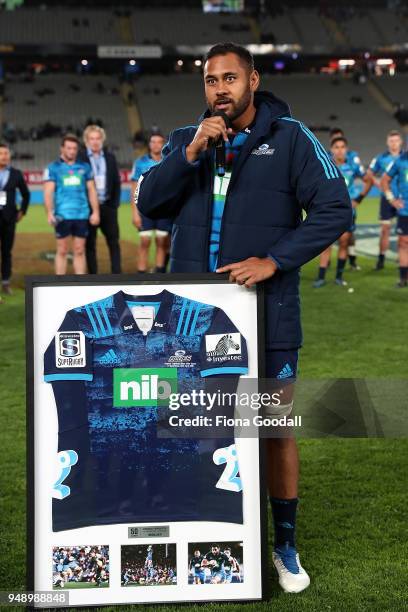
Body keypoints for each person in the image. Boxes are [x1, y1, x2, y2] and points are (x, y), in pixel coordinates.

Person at [138, 42, 351, 593]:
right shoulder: (189, 140)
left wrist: (274, 260)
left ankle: (283, 545)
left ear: (253, 80)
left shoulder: (292, 138)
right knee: (187, 429)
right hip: (186, 324)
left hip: (266, 314)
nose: (220, 89)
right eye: (211, 81)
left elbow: (335, 208)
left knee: (273, 430)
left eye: (230, 78)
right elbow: (149, 207)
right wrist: (186, 157)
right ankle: (194, 540)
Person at [314, 136, 371, 287]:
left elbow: (369, 180)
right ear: (332, 150)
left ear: (346, 150)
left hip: (347, 212)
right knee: (327, 244)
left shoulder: (352, 167)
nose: (339, 150)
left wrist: (358, 199)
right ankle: (321, 277)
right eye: (336, 147)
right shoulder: (325, 166)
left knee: (344, 242)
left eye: (342, 147)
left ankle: (338, 277)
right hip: (329, 211)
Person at [44, 134, 99, 275]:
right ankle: (59, 284)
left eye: (74, 148)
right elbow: (48, 192)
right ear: (62, 148)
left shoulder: (85, 167)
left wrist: (95, 212)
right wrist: (49, 213)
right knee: (62, 250)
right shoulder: (53, 168)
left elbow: (92, 190)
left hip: (82, 214)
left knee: (80, 250)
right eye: (69, 148)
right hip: (62, 215)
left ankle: (80, 285)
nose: (72, 151)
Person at [79, 125, 122, 274]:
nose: (95, 142)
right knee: (90, 244)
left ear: (102, 140)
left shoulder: (110, 157)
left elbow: (116, 182)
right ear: (86, 141)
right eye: (92, 139)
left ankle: (117, 275)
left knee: (113, 242)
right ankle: (93, 277)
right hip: (89, 209)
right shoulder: (80, 158)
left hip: (108, 206)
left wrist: (114, 205)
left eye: (98, 138)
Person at [131, 133, 171, 273]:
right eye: (152, 142)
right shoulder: (140, 162)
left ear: (163, 144)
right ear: (149, 144)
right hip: (145, 209)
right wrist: (135, 213)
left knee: (162, 242)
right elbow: (134, 188)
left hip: (164, 210)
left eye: (158, 142)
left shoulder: (168, 160)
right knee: (144, 242)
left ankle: (159, 274)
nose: (155, 145)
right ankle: (141, 275)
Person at [367, 130, 403, 270]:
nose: (394, 143)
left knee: (404, 232)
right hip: (387, 199)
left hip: (403, 199)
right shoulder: (381, 158)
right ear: (388, 142)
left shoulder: (405, 158)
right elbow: (369, 173)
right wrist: (379, 184)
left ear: (401, 142)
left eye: (396, 141)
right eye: (391, 141)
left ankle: (402, 258)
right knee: (385, 229)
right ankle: (381, 258)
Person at [0, 142, 30, 299]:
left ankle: (5, 282)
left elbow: (26, 194)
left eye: (6, 153)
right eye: (1, 153)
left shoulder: (16, 174)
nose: (4, 156)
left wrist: (22, 211)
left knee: (6, 252)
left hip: (9, 219)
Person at [380, 151, 408, 287]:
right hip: (405, 210)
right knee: (403, 243)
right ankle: (403, 278)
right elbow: (384, 180)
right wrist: (392, 199)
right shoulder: (400, 161)